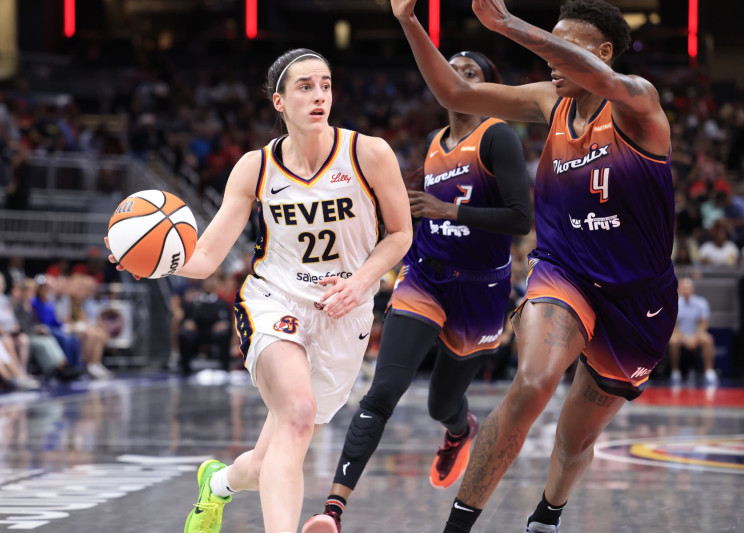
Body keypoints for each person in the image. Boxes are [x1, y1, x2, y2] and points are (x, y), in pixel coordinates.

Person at [390, 1, 677, 532]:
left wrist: (509, 26)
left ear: (603, 53)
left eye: (560, 46)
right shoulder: (552, 102)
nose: (548, 60)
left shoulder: (638, 103)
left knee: (574, 441)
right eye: (546, 46)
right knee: (533, 382)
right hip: (563, 272)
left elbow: (605, 79)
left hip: (639, 299)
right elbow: (456, 94)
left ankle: (546, 517)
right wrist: (409, 21)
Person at [107, 48, 413, 533]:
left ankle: (219, 484)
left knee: (271, 459)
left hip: (344, 311)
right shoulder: (255, 167)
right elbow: (206, 257)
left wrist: (360, 282)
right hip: (273, 299)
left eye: (325, 85)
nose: (319, 96)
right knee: (297, 412)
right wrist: (150, 262)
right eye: (305, 87)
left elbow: (400, 234)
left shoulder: (369, 153)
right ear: (279, 101)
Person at [302, 51, 532, 533]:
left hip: (480, 290)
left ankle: (457, 429)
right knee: (383, 391)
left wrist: (447, 210)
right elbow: (420, 209)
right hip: (424, 276)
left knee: (441, 405)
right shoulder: (434, 142)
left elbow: (521, 217)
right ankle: (333, 511)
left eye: (470, 74)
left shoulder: (498, 136)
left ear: (490, 88)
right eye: (451, 69)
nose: (456, 77)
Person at [668, 277, 718, 387]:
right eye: (683, 287)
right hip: (679, 335)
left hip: (696, 335)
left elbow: (703, 323)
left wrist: (695, 338)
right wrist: (684, 339)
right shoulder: (674, 303)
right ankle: (675, 372)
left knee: (708, 340)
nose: (686, 290)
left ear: (692, 289)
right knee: (673, 342)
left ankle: (709, 372)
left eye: (688, 287)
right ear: (679, 289)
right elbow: (673, 325)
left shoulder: (701, 302)